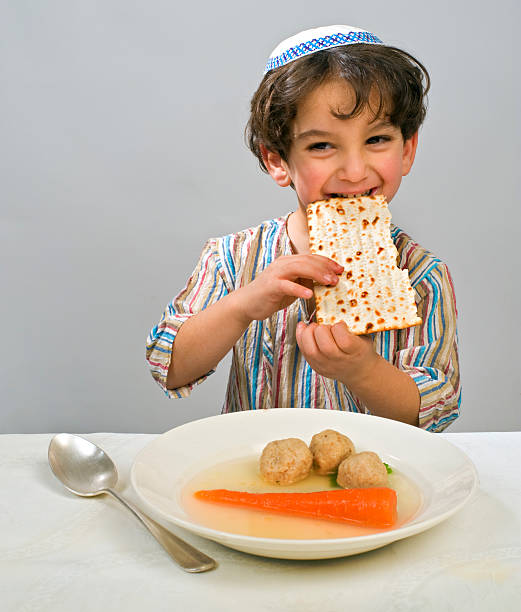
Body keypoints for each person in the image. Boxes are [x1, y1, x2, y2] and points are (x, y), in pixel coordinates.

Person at [146, 25, 460, 432]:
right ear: (277, 160)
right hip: (258, 474)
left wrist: (361, 370)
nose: (354, 169)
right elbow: (167, 365)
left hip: (368, 484)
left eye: (377, 139)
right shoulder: (233, 257)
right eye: (321, 146)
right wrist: (244, 305)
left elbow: (433, 412)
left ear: (407, 150)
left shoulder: (422, 276)